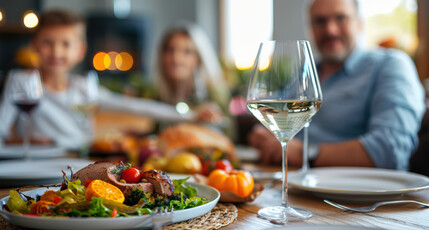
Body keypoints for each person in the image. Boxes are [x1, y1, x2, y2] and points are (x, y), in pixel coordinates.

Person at [0, 10, 216, 149]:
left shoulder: (83, 87)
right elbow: (2, 132)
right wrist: (27, 143)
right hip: (35, 163)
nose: (56, 51)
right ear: (35, 45)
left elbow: (132, 106)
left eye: (66, 44)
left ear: (80, 51)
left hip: (80, 164)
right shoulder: (20, 82)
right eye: (48, 42)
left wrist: (190, 116)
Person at [248, 0, 425, 170]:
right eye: (320, 21)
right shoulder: (308, 72)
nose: (330, 30)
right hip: (296, 186)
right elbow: (274, 106)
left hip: (356, 195)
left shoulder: (390, 65)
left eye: (340, 18)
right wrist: (264, 133)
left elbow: (391, 149)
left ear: (359, 23)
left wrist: (304, 153)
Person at [153, 22, 230, 123]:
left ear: (199, 58)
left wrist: (212, 121)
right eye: (170, 50)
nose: (176, 58)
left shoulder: (215, 94)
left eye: (187, 52)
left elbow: (229, 136)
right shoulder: (160, 95)